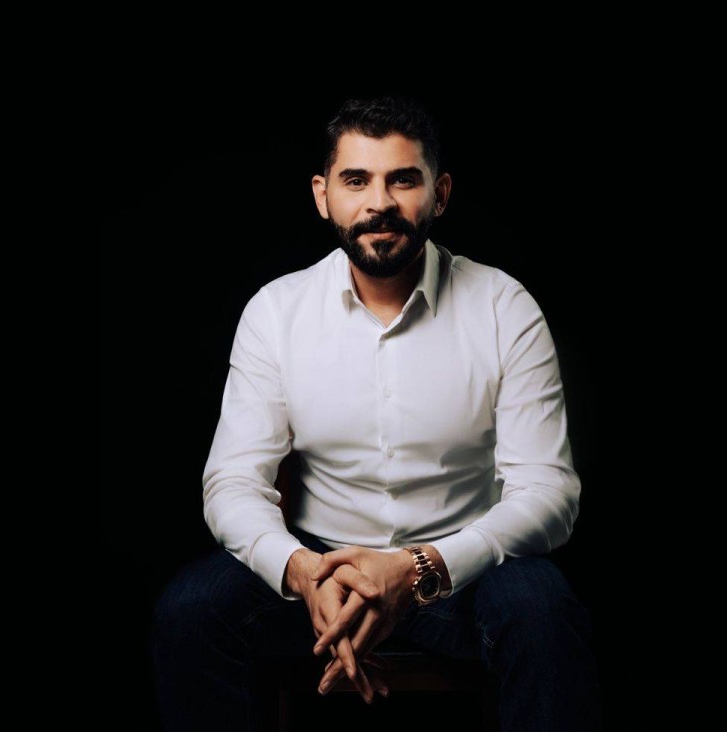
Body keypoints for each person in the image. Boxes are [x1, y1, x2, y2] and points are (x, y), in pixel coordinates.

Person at [151, 95, 602, 731]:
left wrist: (420, 569)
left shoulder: (504, 307)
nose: (380, 203)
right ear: (323, 195)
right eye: (357, 180)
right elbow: (232, 483)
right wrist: (303, 573)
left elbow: (550, 494)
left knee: (543, 610)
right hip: (322, 568)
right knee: (190, 610)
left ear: (440, 194)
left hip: (460, 572)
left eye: (404, 180)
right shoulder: (276, 312)